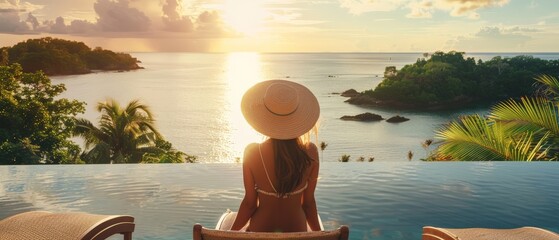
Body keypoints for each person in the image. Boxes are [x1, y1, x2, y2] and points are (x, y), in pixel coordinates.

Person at [230, 79, 321, 232]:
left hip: (260, 232)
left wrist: (228, 234)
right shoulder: (311, 152)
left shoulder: (252, 152)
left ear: (264, 118)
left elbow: (250, 204)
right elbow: (308, 204)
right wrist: (321, 235)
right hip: (297, 233)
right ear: (298, 117)